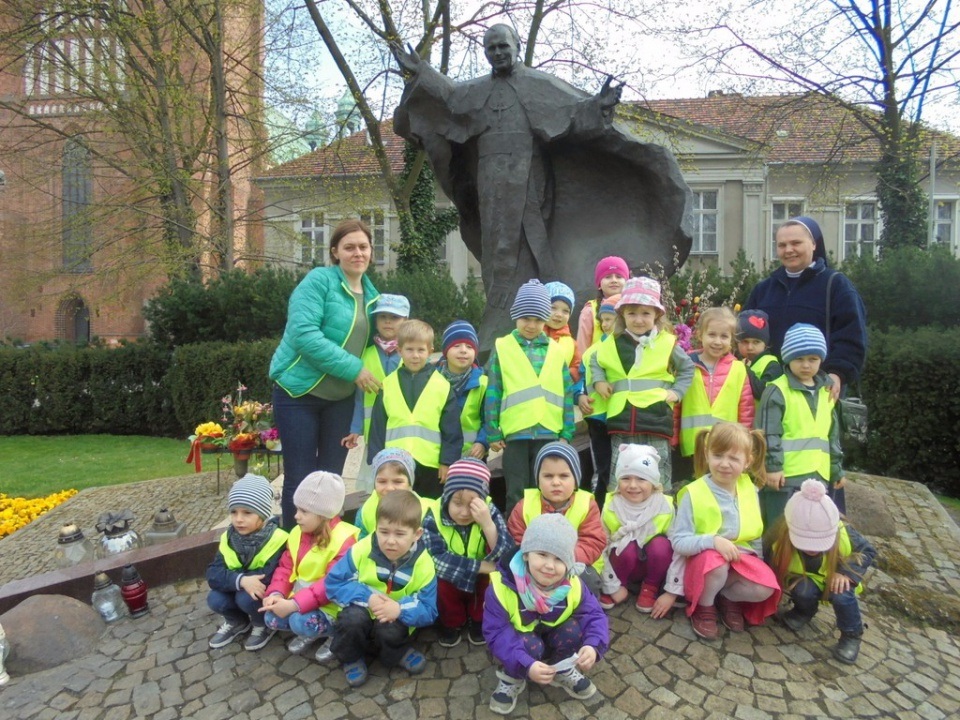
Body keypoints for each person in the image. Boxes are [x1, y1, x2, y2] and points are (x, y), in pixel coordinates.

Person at [394, 25, 689, 353]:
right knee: (496, 248)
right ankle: (501, 318)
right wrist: (421, 71)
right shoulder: (477, 89)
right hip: (491, 180)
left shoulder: (537, 83)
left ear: (517, 46)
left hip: (530, 177)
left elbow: (573, 113)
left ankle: (539, 316)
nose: (498, 53)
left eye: (503, 46)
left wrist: (599, 104)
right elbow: (450, 97)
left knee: (531, 242)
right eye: (491, 48)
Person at [270, 218, 380, 529]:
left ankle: (327, 547)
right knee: (301, 477)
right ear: (335, 252)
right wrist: (354, 369)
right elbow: (304, 335)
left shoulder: (373, 296)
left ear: (371, 251)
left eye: (363, 247)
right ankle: (294, 548)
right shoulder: (319, 281)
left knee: (331, 480)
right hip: (299, 393)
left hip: (340, 399)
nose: (357, 253)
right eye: (349, 247)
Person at [484, 513, 609, 715]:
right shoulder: (501, 587)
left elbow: (594, 615)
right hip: (521, 645)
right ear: (526, 554)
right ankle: (513, 676)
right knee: (527, 644)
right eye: (542, 554)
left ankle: (561, 667)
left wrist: (593, 645)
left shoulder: (574, 584)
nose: (550, 565)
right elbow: (497, 633)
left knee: (573, 630)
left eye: (559, 558)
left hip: (555, 636)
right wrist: (526, 664)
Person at [669, 422, 781, 640]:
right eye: (718, 455)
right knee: (717, 565)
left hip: (739, 560)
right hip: (705, 564)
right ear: (707, 454)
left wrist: (757, 566)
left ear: (747, 462)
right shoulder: (693, 493)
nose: (724, 464)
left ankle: (726, 597)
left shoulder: (750, 490)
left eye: (734, 458)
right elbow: (679, 541)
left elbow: (755, 533)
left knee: (765, 586)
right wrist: (713, 541)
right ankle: (704, 605)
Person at [744, 216, 867, 402]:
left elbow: (851, 336)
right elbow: (744, 335)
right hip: (768, 390)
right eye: (782, 245)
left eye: (796, 243)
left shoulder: (835, 285)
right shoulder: (763, 290)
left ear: (814, 244)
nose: (788, 250)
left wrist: (837, 373)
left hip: (818, 390)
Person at [591, 277, 694, 492]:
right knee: (621, 473)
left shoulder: (666, 342)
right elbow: (595, 360)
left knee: (657, 473)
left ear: (657, 314)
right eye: (632, 313)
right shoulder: (613, 342)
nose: (639, 320)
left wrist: (677, 392)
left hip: (656, 419)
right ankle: (617, 512)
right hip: (622, 419)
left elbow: (687, 368)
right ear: (623, 314)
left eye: (646, 313)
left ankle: (661, 511)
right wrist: (599, 380)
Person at [326, 490, 438, 687]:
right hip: (361, 609)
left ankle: (397, 652)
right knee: (351, 621)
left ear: (417, 534)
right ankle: (351, 657)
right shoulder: (361, 550)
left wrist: (399, 609)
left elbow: (429, 610)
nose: (390, 541)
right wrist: (367, 597)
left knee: (390, 630)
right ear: (376, 528)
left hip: (395, 617)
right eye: (384, 532)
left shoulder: (424, 564)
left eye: (400, 534)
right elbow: (333, 583)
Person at [485, 280, 576, 515]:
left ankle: (544, 532)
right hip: (515, 433)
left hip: (549, 432)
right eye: (526, 318)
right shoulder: (503, 347)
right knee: (516, 492)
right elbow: (494, 390)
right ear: (516, 316)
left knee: (545, 491)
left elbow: (566, 393)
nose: (531, 325)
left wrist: (567, 432)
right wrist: (492, 431)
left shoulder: (556, 350)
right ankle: (516, 533)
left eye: (538, 319)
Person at [767, 479, 876, 664]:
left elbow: (868, 551)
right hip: (805, 579)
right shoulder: (779, 533)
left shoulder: (844, 531)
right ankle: (804, 611)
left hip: (839, 580)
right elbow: (766, 557)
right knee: (802, 591)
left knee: (842, 596)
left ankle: (852, 634)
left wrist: (845, 573)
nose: (812, 549)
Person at [261, 472, 359, 661]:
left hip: (332, 607)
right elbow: (285, 568)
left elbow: (330, 584)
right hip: (304, 599)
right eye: (297, 509)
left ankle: (335, 633)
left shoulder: (344, 540)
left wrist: (294, 605)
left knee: (298, 621)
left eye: (304, 511)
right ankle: (311, 629)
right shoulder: (298, 533)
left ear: (323, 515)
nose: (296, 516)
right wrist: (276, 593)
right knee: (271, 618)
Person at [755, 323, 844, 526]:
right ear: (788, 358)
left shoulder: (826, 391)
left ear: (821, 359)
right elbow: (768, 433)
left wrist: (836, 469)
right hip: (785, 478)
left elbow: (832, 435)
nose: (806, 365)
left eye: (813, 359)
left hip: (818, 477)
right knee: (779, 530)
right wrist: (772, 467)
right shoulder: (777, 390)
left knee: (810, 530)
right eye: (799, 359)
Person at [421, 458, 515, 648]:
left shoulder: (489, 511)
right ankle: (451, 622)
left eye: (472, 505)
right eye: (457, 503)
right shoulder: (433, 515)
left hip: (482, 578)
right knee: (440, 586)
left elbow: (506, 554)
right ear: (447, 497)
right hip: (450, 575)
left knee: (491, 584)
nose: (464, 512)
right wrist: (481, 566)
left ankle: (479, 619)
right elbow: (435, 558)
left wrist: (487, 525)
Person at [367, 319, 463, 500]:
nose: (415, 355)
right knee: (396, 507)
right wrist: (376, 460)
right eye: (409, 349)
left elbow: (452, 429)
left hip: (430, 466)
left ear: (430, 351)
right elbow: (378, 427)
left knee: (428, 508)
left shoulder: (441, 385)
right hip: (394, 465)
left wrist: (447, 461)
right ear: (399, 350)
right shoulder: (388, 385)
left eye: (421, 350)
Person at [507, 442, 605, 597]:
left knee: (589, 582)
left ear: (576, 480)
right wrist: (537, 561)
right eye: (548, 476)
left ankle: (583, 610)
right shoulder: (524, 506)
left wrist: (563, 559)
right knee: (511, 580)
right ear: (538, 480)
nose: (556, 482)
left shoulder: (587, 505)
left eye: (564, 476)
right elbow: (516, 539)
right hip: (536, 566)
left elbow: (593, 541)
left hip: (576, 563)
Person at [206, 474, 288, 651]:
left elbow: (268, 576)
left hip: (264, 594)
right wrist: (241, 580)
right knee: (215, 598)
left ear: (263, 514)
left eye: (247, 512)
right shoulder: (229, 538)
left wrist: (235, 580)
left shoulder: (277, 538)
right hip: (240, 586)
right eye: (234, 512)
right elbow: (213, 574)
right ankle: (237, 622)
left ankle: (262, 623)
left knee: (246, 598)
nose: (238, 519)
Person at [341, 293, 410, 491]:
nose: (388, 322)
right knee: (374, 482)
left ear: (405, 320)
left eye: (394, 317)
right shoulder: (366, 354)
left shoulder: (410, 354)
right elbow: (360, 397)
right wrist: (355, 428)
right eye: (383, 317)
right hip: (374, 434)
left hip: (403, 430)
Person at [597, 445, 675, 616]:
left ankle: (650, 586)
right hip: (620, 565)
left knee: (661, 545)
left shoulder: (665, 506)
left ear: (653, 482)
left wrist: (672, 590)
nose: (633, 485)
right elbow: (600, 546)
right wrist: (611, 584)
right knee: (627, 546)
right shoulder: (610, 505)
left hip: (653, 566)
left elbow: (678, 549)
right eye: (625, 478)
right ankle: (620, 584)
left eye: (641, 478)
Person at [678, 306, 754, 460]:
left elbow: (745, 409)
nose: (717, 341)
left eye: (724, 336)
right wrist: (672, 438)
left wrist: (745, 441)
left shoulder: (738, 369)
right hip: (692, 446)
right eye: (712, 334)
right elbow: (676, 405)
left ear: (731, 339)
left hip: (726, 447)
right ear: (700, 335)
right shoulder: (687, 365)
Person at [575, 293, 619, 502]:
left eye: (611, 319)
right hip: (598, 417)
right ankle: (600, 508)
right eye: (604, 320)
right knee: (602, 467)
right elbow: (582, 379)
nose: (606, 324)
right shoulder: (592, 352)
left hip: (620, 415)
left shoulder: (627, 348)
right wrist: (579, 396)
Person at [437, 320, 488, 460]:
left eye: (469, 347)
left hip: (471, 456)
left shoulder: (483, 383)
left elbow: (490, 419)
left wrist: (482, 442)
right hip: (436, 456)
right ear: (445, 351)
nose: (463, 350)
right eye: (456, 345)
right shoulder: (431, 381)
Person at [355, 448, 431, 539]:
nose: (389, 488)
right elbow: (360, 543)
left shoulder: (427, 511)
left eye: (398, 482)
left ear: (410, 484)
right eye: (382, 481)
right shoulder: (365, 511)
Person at [576, 256, 629, 358]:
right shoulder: (590, 311)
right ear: (599, 284)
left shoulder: (634, 308)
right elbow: (582, 349)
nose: (614, 280)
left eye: (619, 276)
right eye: (608, 277)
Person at [736, 309, 782, 402]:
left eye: (756, 342)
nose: (750, 347)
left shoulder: (772, 364)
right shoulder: (735, 361)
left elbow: (764, 393)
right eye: (745, 342)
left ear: (765, 344)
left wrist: (745, 370)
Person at [543, 281, 582, 382]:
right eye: (553, 308)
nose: (559, 314)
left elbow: (577, 368)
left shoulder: (572, 344)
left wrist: (568, 374)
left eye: (565, 311)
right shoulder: (528, 335)